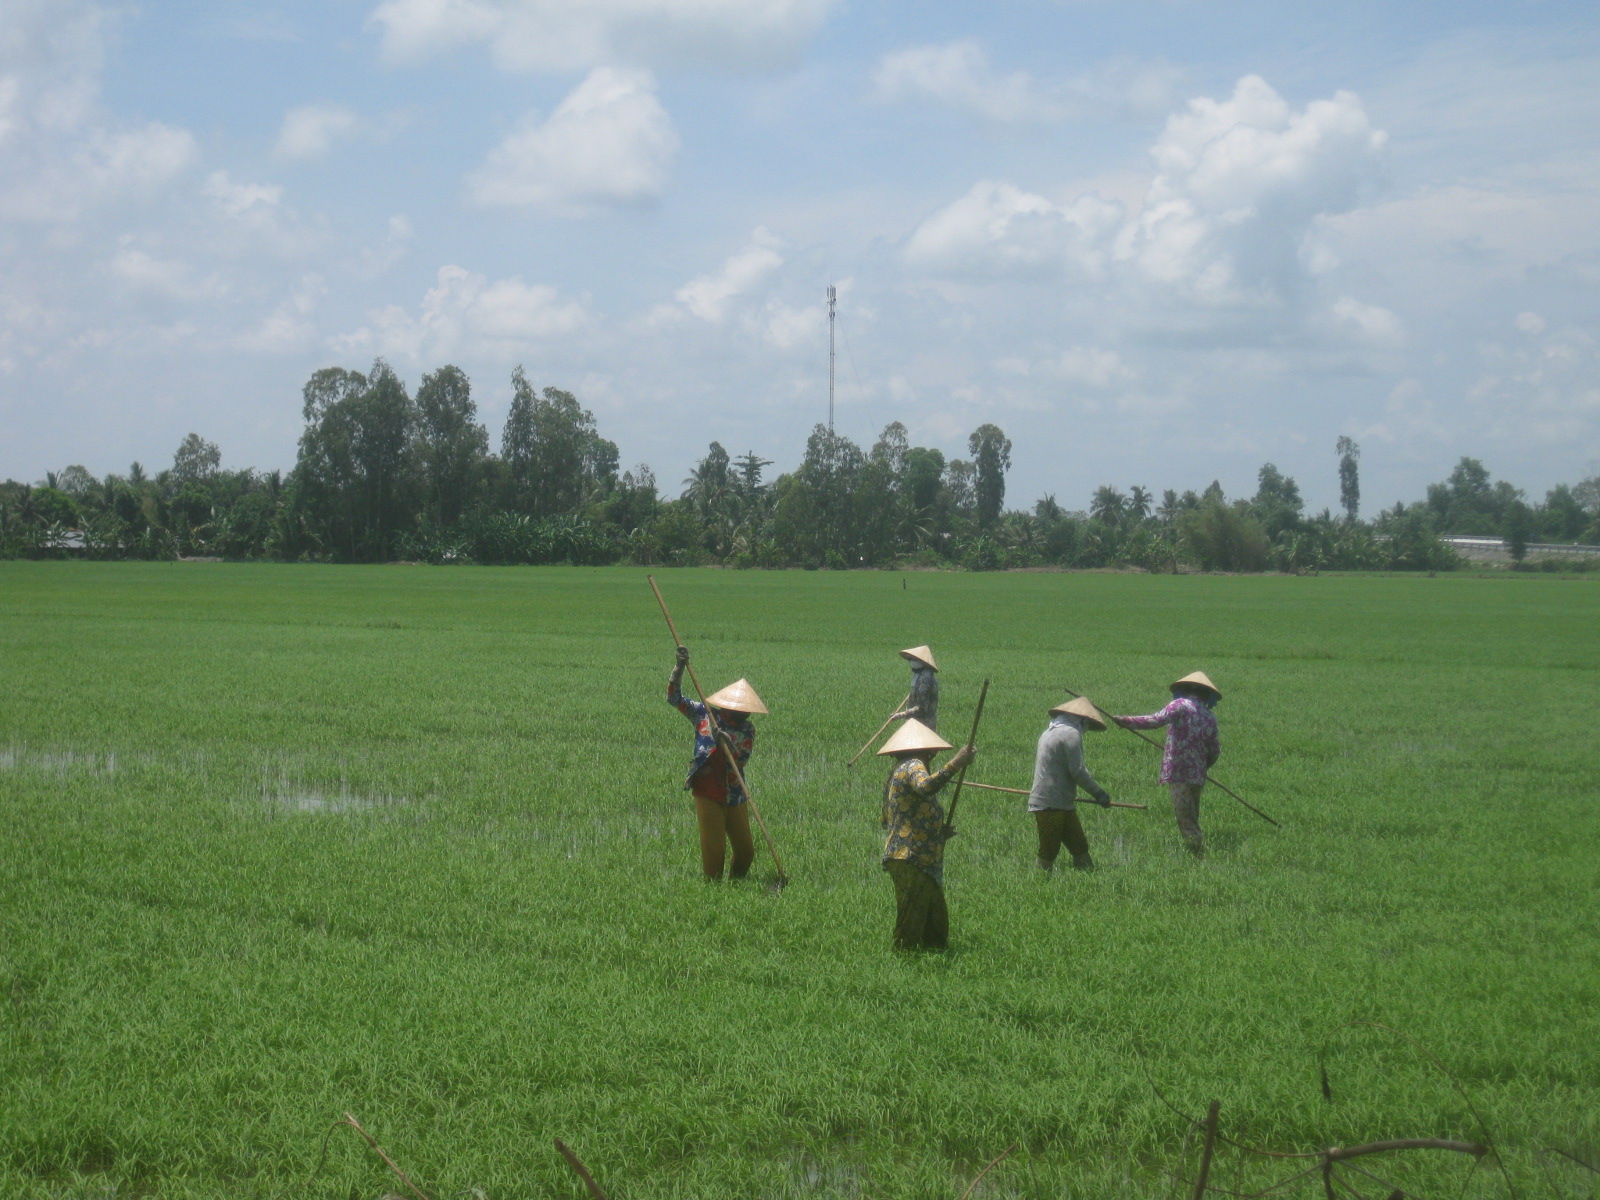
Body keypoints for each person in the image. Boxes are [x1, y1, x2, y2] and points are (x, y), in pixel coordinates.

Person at [667, 644, 767, 881]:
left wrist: (727, 740)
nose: (746, 714)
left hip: (734, 792)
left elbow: (740, 760)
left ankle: (736, 888)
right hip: (707, 790)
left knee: (746, 851)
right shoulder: (704, 715)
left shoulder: (747, 730)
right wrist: (679, 668)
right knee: (714, 854)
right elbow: (674, 698)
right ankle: (713, 893)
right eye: (742, 710)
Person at [878, 718, 975, 949]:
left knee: (935, 922)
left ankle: (933, 956)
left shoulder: (898, 771)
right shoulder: (912, 765)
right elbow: (926, 787)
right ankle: (904, 960)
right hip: (911, 856)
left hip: (920, 856)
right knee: (911, 917)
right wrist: (956, 764)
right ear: (926, 750)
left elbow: (896, 816)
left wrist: (935, 832)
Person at [1113, 672, 1220, 857]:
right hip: (1197, 776)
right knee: (1192, 813)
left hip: (1179, 773)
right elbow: (1214, 751)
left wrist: (1127, 721)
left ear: (1185, 690)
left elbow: (1155, 720)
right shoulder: (1210, 716)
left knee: (1186, 819)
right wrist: (1202, 767)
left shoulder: (1179, 705)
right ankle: (1196, 851)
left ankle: (1197, 856)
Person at [1028, 696, 1113, 871]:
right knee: (1049, 849)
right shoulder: (1070, 734)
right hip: (1050, 802)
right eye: (1087, 723)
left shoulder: (1050, 731)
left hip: (1061, 801)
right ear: (1081, 720)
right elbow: (1078, 771)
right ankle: (1038, 882)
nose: (1087, 728)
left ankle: (1089, 877)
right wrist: (1098, 793)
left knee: (1079, 845)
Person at [889, 644, 939, 731]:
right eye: (910, 659)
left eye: (913, 659)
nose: (911, 662)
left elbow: (922, 708)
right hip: (917, 725)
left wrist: (901, 714)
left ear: (922, 661)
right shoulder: (921, 675)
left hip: (922, 727)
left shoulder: (925, 680)